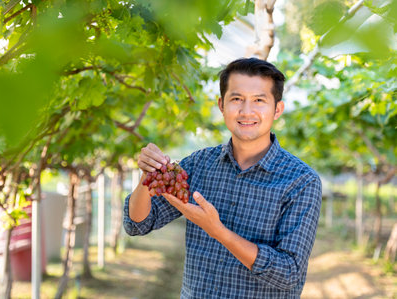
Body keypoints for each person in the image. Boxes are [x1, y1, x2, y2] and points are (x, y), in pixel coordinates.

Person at [123, 57, 322, 298]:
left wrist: (218, 231)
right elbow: (138, 223)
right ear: (221, 105)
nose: (246, 111)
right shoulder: (199, 165)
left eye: (259, 100)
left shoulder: (301, 181)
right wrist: (148, 178)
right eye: (236, 99)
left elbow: (289, 274)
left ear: (277, 109)